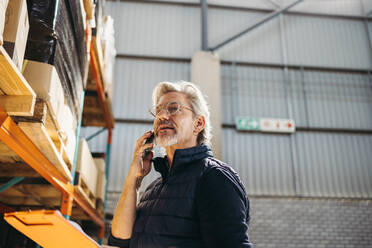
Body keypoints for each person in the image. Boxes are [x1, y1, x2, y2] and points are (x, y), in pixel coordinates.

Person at [108, 81, 253, 248]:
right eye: (158, 111)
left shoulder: (215, 177)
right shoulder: (153, 189)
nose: (162, 116)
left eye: (173, 109)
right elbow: (119, 242)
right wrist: (134, 180)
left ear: (198, 124)